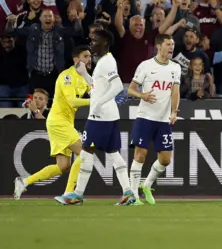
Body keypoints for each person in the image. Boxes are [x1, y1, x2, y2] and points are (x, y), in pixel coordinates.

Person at [57, 30, 135, 206]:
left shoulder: (106, 61)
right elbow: (99, 86)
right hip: (110, 115)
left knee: (85, 153)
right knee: (113, 153)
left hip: (100, 116)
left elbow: (117, 86)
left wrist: (99, 103)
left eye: (95, 40)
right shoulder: (105, 61)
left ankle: (77, 194)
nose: (91, 44)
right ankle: (128, 192)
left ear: (105, 42)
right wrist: (85, 74)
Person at [13, 46, 92, 200]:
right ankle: (69, 193)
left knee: (63, 166)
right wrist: (93, 100)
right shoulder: (66, 77)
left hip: (64, 122)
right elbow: (71, 100)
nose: (89, 59)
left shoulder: (84, 77)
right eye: (85, 56)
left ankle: (24, 181)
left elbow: (95, 89)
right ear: (76, 59)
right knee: (85, 154)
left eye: (90, 56)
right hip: (58, 121)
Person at [127, 34, 182, 205]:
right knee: (140, 154)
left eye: (173, 44)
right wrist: (142, 95)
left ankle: (147, 185)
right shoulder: (146, 66)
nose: (171, 47)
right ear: (159, 47)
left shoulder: (175, 68)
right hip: (145, 117)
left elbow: (175, 91)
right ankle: (134, 195)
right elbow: (130, 89)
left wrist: (174, 111)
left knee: (166, 159)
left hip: (163, 120)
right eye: (168, 44)